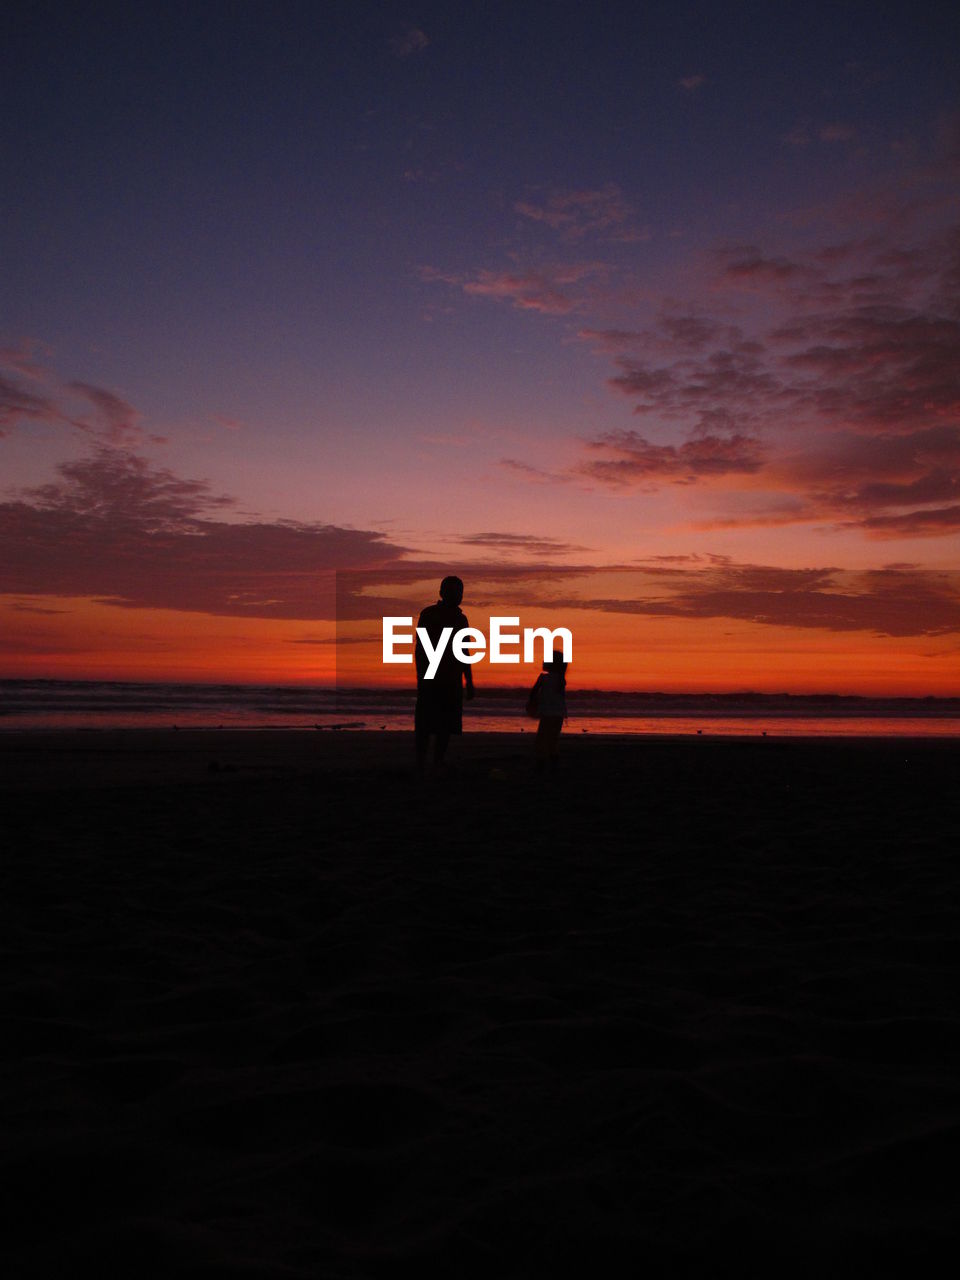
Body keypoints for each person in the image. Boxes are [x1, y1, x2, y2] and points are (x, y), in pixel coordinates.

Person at [415, 575, 474, 773]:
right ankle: (421, 761)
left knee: (446, 724)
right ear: (441, 593)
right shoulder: (429, 614)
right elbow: (421, 648)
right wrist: (423, 676)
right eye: (451, 592)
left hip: (452, 678)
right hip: (431, 678)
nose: (455, 596)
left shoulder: (461, 618)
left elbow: (464, 651)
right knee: (425, 723)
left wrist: (469, 681)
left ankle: (438, 760)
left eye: (458, 592)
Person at [531, 649, 567, 774]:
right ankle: (553, 765)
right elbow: (560, 697)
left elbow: (533, 692)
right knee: (553, 739)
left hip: (547, 713)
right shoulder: (561, 680)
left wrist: (533, 703)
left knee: (541, 739)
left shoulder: (543, 678)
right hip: (558, 714)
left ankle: (541, 765)